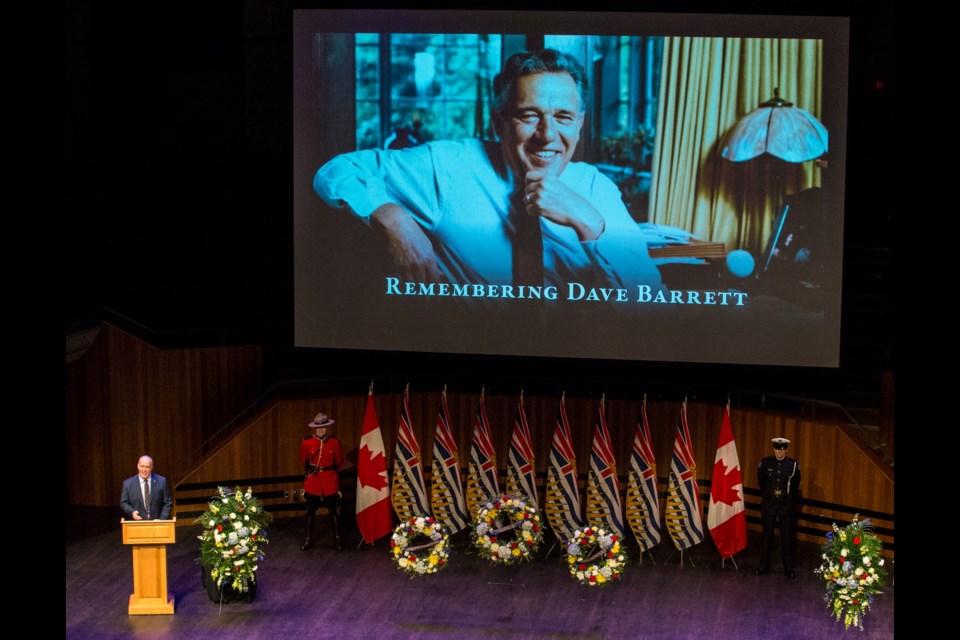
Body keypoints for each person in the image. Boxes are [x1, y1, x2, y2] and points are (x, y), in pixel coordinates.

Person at [313, 48, 662, 292]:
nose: (547, 135)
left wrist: (589, 223)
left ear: (580, 124)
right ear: (499, 122)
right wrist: (390, 216)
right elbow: (337, 170)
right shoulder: (448, 168)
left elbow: (652, 307)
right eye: (529, 116)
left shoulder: (596, 188)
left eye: (563, 117)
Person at [755, 437, 801, 578]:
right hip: (769, 503)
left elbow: (795, 483)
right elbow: (761, 482)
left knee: (787, 536)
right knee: (767, 535)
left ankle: (788, 567)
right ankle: (764, 565)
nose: (780, 452)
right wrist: (769, 495)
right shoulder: (765, 462)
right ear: (773, 448)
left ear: (786, 449)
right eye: (777, 449)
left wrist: (786, 497)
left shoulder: (792, 464)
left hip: (785, 504)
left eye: (782, 449)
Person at [299, 411, 344, 551]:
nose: (320, 430)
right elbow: (303, 461)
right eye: (318, 428)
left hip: (330, 480)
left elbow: (339, 462)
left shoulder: (335, 442)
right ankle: (308, 539)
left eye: (323, 427)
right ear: (314, 428)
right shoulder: (307, 442)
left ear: (327, 427)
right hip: (314, 480)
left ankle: (337, 539)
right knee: (311, 511)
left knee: (333, 511)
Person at [121, 455, 173, 520]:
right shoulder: (128, 484)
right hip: (137, 525)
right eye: (142, 466)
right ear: (138, 466)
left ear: (151, 468)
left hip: (157, 525)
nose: (144, 470)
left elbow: (168, 502)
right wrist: (131, 513)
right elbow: (124, 503)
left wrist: (161, 520)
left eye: (147, 467)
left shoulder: (161, 482)